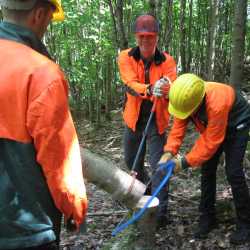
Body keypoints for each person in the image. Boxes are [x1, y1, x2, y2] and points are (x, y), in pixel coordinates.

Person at [0, 1, 88, 249]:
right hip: (28, 230)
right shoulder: (41, 73)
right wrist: (75, 209)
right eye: (50, 19)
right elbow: (59, 159)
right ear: (39, 14)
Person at [159, 73, 250, 244]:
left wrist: (184, 162)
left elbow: (210, 143)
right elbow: (178, 127)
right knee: (207, 170)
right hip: (214, 126)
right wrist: (168, 152)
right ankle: (207, 217)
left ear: (198, 103)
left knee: (234, 172)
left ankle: (245, 224)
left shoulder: (216, 104)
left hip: (237, 122)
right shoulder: (184, 98)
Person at [118, 14, 177, 227]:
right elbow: (129, 83)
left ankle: (160, 214)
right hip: (133, 120)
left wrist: (166, 87)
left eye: (150, 36)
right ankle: (145, 195)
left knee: (159, 167)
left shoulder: (167, 61)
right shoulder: (125, 57)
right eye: (142, 36)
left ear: (156, 38)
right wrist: (151, 89)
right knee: (131, 162)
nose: (145, 41)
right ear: (136, 37)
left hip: (156, 121)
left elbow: (173, 89)